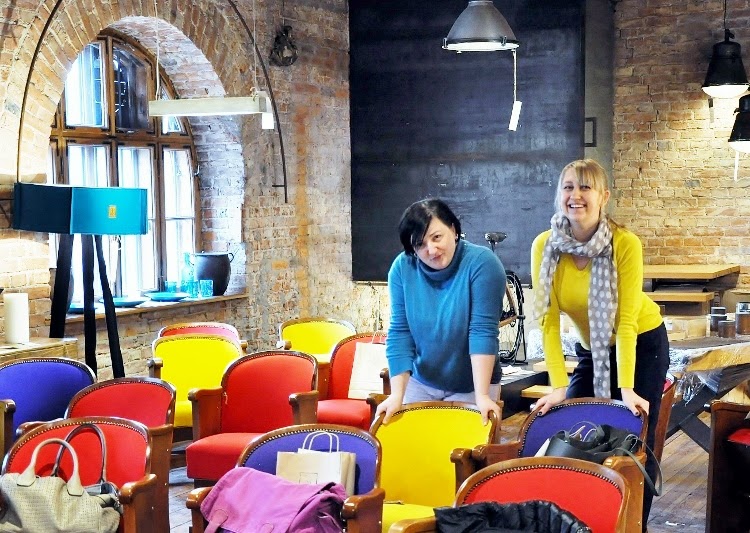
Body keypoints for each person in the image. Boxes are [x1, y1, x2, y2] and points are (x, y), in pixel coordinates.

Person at [531, 159, 669, 530]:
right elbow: (547, 320)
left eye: (586, 187)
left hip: (642, 343)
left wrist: (627, 389)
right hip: (591, 350)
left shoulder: (624, 243)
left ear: (604, 196)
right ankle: (581, 518)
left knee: (635, 437)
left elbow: (625, 323)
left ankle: (633, 524)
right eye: (568, 187)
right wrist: (558, 385)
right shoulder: (545, 246)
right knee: (571, 425)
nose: (575, 195)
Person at [375, 198, 506, 426]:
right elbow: (400, 333)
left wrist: (482, 396)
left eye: (437, 237)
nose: (431, 250)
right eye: (420, 244)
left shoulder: (483, 264)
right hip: (421, 382)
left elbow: (482, 332)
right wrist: (396, 395)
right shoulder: (402, 268)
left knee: (466, 447)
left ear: (453, 230)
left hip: (473, 385)